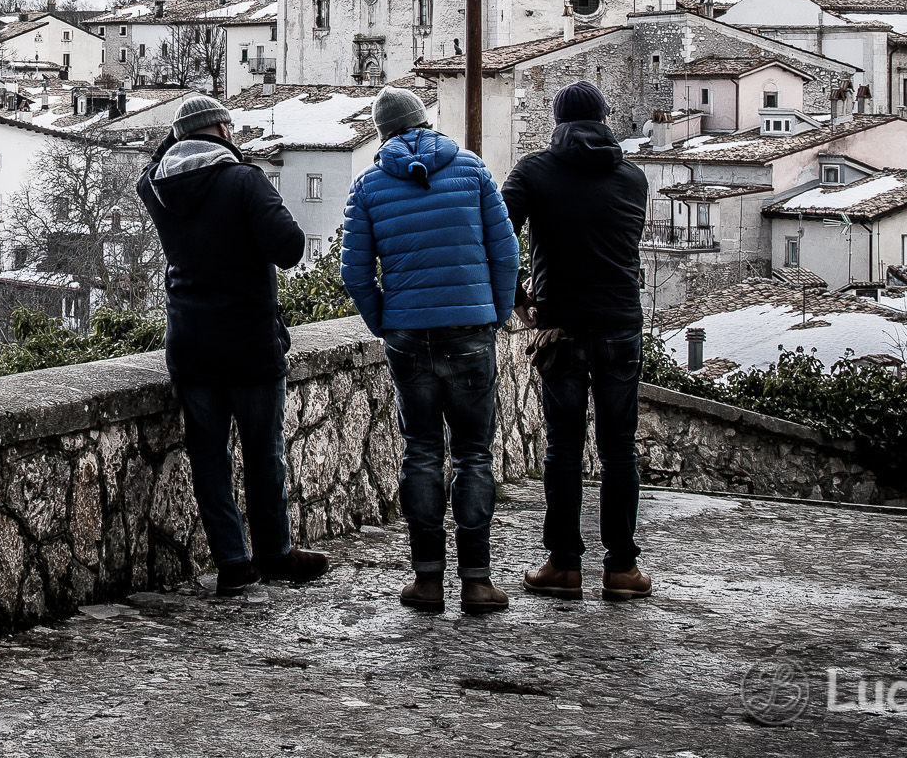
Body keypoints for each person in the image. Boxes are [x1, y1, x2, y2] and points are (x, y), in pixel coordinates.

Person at [137, 93, 332, 596]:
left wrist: (184, 132)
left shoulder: (158, 189)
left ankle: (232, 562)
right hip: (248, 340)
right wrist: (239, 166)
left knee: (209, 456)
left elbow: (155, 163)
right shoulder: (243, 180)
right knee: (263, 453)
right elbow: (289, 248)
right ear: (223, 131)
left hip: (191, 342)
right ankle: (275, 553)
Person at [340, 86, 519, 615]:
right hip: (470, 328)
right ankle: (478, 582)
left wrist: (384, 321)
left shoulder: (368, 186)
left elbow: (354, 272)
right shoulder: (473, 171)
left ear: (382, 132)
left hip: (408, 336)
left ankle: (428, 581)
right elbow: (504, 251)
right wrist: (496, 312)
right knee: (473, 453)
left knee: (421, 451)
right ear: (426, 122)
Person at [501, 81, 653, 602]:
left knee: (563, 447)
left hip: (558, 325)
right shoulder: (634, 179)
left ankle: (563, 566)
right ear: (606, 120)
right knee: (619, 451)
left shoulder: (534, 171)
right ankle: (622, 570)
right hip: (619, 323)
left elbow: (498, 237)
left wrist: (519, 300)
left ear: (558, 123)